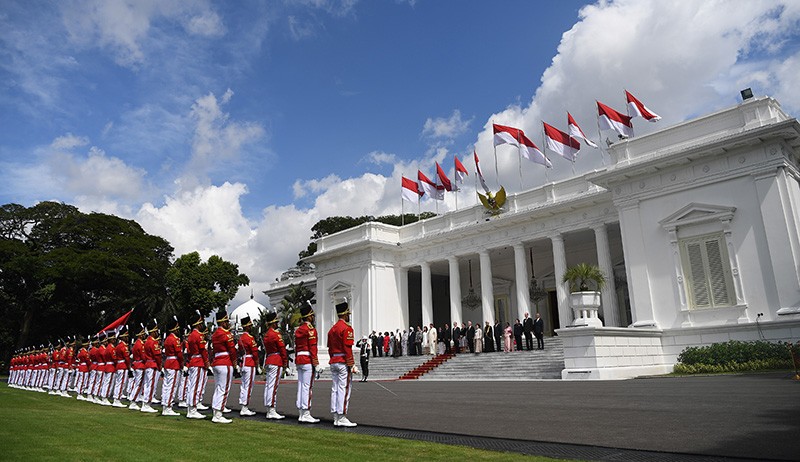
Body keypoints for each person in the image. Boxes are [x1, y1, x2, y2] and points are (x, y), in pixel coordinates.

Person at [328, 300, 357, 427]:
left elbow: (329, 348)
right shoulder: (347, 328)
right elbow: (347, 348)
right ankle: (342, 415)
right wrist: (352, 364)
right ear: (345, 314)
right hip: (343, 362)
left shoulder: (332, 329)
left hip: (334, 360)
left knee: (335, 388)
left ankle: (336, 415)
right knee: (344, 389)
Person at [210, 310, 237, 424]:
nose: (228, 323)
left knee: (218, 388)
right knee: (224, 389)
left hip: (217, 361)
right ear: (223, 322)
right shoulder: (226, 334)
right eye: (226, 321)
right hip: (225, 362)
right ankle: (218, 414)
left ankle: (216, 411)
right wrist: (235, 363)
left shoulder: (215, 333)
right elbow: (231, 350)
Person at [295, 303, 320, 423]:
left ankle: (301, 412)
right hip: (307, 359)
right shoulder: (310, 330)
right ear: (309, 316)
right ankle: (306, 412)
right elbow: (312, 347)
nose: (313, 317)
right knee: (307, 387)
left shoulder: (299, 329)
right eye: (312, 315)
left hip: (299, 359)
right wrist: (316, 363)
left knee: (301, 386)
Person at [263, 311, 288, 419]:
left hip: (269, 359)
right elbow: (282, 349)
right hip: (276, 360)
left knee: (269, 385)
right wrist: (285, 361)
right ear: (273, 323)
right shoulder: (275, 334)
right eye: (276, 322)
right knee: (273, 386)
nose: (277, 324)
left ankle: (269, 408)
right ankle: (271, 409)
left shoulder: (267, 334)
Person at [185, 313, 210, 420]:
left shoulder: (191, 335)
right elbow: (203, 350)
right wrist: (206, 362)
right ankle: (193, 409)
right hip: (199, 361)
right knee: (195, 387)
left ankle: (191, 408)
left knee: (192, 386)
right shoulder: (198, 335)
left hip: (193, 361)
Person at [160, 319, 182, 416]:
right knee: (172, 386)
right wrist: (182, 364)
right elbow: (179, 354)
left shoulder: (168, 339)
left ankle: (165, 404)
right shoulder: (174, 339)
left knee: (167, 386)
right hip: (174, 363)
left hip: (168, 362)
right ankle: (168, 406)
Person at [238, 316, 258, 416]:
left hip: (244, 361)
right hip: (250, 362)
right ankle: (245, 407)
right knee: (248, 386)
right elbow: (254, 352)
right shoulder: (250, 338)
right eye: (249, 326)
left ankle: (243, 404)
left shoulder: (241, 338)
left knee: (243, 385)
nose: (251, 327)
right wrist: (257, 363)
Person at [140, 321, 161, 413]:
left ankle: (146, 402)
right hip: (152, 364)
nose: (157, 333)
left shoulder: (147, 341)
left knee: (148, 384)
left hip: (148, 364)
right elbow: (157, 356)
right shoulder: (153, 342)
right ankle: (147, 403)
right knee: (151, 385)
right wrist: (160, 365)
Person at [111, 327, 131, 408]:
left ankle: (116, 398)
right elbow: (127, 358)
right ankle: (117, 399)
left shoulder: (118, 346)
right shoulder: (123, 346)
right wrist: (129, 367)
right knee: (121, 383)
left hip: (119, 365)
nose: (127, 338)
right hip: (122, 366)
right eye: (126, 336)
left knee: (118, 383)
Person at [128, 328, 146, 410]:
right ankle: (134, 401)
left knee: (136, 384)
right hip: (140, 365)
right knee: (138, 385)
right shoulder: (140, 344)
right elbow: (143, 356)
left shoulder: (136, 344)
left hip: (136, 364)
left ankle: (133, 399)